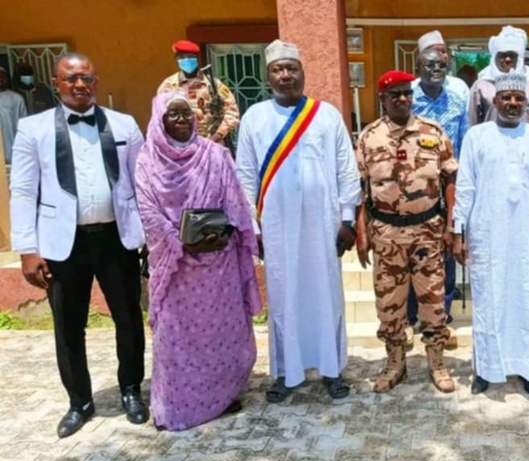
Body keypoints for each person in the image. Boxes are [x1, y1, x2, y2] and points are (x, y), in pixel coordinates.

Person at [10, 53, 148, 438]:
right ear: (57, 83)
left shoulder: (124, 124)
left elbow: (143, 182)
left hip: (116, 239)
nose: (80, 84)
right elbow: (23, 190)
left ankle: (131, 389)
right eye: (71, 78)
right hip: (62, 245)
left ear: (96, 82)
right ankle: (80, 402)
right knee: (69, 326)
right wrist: (28, 249)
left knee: (128, 318)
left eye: (86, 77)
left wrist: (150, 235)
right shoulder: (33, 129)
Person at [235, 40, 360, 401]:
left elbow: (346, 169)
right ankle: (285, 373)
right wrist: (253, 228)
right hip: (276, 226)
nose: (286, 75)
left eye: (292, 68)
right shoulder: (255, 117)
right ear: (268, 76)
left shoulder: (326, 115)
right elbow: (245, 176)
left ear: (303, 73)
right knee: (283, 295)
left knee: (327, 295)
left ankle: (332, 370)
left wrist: (348, 219)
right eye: (278, 69)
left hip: (323, 224)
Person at [136, 93, 261, 430]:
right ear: (159, 120)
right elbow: (148, 210)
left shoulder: (215, 155)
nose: (182, 119)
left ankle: (222, 395)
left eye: (187, 113)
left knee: (221, 332)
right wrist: (181, 243)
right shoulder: (147, 160)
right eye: (173, 114)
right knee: (176, 337)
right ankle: (177, 406)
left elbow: (234, 200)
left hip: (218, 262)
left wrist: (221, 234)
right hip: (176, 267)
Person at [453, 71, 529, 397]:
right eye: (506, 98)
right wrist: (458, 231)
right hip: (487, 234)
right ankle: (486, 369)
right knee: (489, 301)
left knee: (526, 300)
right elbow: (465, 187)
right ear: (494, 101)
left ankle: (528, 370)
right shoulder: (477, 136)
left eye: (519, 98)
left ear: (527, 103)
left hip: (527, 234)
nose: (513, 103)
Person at [355, 70, 457, 393]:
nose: (402, 99)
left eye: (406, 93)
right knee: (389, 305)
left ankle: (437, 363)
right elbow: (359, 188)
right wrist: (361, 233)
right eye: (394, 94)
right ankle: (395, 363)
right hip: (386, 234)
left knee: (433, 302)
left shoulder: (432, 132)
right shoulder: (369, 136)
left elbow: (450, 179)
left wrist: (451, 226)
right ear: (382, 99)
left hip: (427, 231)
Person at [408, 48, 469, 348]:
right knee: (410, 253)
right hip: (413, 189)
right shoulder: (407, 99)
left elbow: (465, 144)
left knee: (446, 252)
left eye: (441, 65)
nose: (436, 69)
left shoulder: (457, 101)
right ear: (418, 67)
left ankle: (441, 319)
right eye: (429, 64)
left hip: (449, 186)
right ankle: (409, 319)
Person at [157, 40, 240, 145]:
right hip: (180, 145)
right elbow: (159, 114)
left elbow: (232, 112)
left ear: (197, 58)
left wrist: (218, 135)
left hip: (211, 143)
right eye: (182, 57)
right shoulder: (169, 85)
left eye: (190, 57)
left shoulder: (213, 84)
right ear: (177, 59)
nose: (186, 60)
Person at [469, 26, 529, 125]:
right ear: (494, 58)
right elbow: (472, 121)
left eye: (512, 55)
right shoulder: (481, 86)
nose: (507, 59)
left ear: (518, 58)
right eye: (502, 55)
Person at [413, 30, 470, 103]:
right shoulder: (410, 90)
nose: (441, 56)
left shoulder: (459, 86)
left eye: (443, 51)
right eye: (435, 51)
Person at [0, 67, 26, 163]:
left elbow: (23, 125)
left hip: (11, 150)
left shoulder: (16, 98)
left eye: (2, 76)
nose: (0, 79)